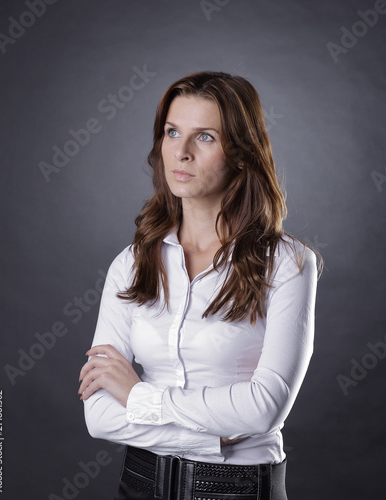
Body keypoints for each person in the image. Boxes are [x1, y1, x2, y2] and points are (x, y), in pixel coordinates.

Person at [78, 71, 322, 500]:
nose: (182, 152)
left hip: (238, 490)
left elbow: (263, 408)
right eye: (172, 132)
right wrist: (210, 439)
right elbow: (98, 416)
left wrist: (138, 396)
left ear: (243, 154)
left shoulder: (288, 263)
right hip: (137, 485)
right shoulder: (131, 265)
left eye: (205, 137)